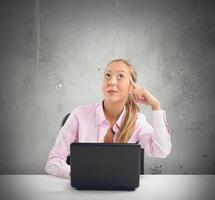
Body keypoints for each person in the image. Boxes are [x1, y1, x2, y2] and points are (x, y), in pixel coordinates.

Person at [45, 58, 172, 179]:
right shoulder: (79, 115)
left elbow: (161, 151)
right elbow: (53, 162)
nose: (112, 82)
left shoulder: (137, 122)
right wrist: (77, 174)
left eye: (120, 76)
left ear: (131, 86)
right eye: (107, 75)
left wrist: (156, 105)